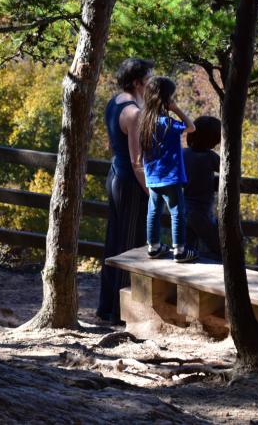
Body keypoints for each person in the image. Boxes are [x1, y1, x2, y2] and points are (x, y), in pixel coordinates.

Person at [97, 58, 152, 324]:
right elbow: (136, 159)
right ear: (136, 81)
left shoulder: (114, 102)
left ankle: (106, 307)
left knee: (115, 240)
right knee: (130, 245)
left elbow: (112, 146)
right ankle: (120, 313)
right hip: (130, 181)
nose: (150, 81)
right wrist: (150, 191)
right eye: (147, 77)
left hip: (115, 175)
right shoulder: (134, 112)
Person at [138, 76, 197, 262]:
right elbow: (191, 127)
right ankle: (179, 250)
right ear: (166, 100)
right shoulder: (168, 124)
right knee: (177, 212)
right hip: (171, 177)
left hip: (152, 177)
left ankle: (153, 246)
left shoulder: (144, 122)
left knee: (153, 211)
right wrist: (176, 109)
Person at [184, 116, 222, 261]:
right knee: (218, 248)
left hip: (183, 209)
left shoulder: (183, 154)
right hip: (202, 212)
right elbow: (229, 170)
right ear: (213, 140)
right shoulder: (210, 157)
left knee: (186, 250)